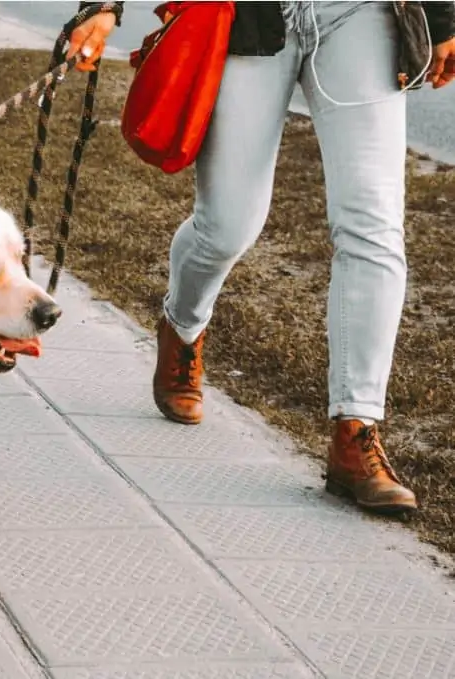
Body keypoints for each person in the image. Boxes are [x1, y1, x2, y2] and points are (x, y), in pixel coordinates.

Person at [70, 1, 455, 515]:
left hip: (361, 14)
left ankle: (355, 429)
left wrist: (444, 19)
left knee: (374, 227)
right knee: (226, 226)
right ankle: (182, 324)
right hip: (252, 15)